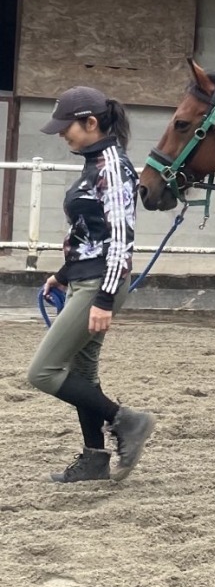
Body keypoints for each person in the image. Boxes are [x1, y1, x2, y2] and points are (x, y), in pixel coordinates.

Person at [27, 86, 155, 483]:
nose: (63, 134)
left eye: (68, 127)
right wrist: (62, 274)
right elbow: (90, 233)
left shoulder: (112, 167)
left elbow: (121, 238)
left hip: (101, 284)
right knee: (82, 373)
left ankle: (127, 421)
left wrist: (102, 297)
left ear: (91, 122)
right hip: (85, 279)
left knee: (43, 372)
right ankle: (94, 459)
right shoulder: (94, 162)